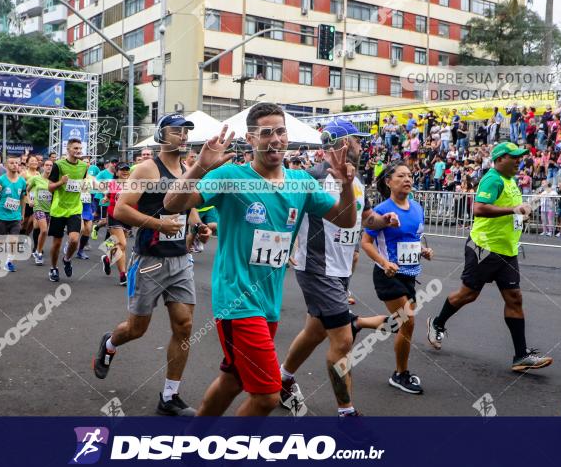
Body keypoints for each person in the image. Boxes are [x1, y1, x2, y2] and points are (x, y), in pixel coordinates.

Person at [163, 102, 358, 417]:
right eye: (266, 132)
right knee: (268, 395)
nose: (275, 139)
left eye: (280, 131)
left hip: (269, 304)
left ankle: (193, 447)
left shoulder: (301, 183)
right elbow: (172, 204)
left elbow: (346, 219)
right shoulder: (231, 176)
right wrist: (199, 167)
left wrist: (347, 186)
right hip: (237, 301)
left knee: (233, 379)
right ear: (250, 139)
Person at [280, 119, 399, 416]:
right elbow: (285, 213)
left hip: (341, 269)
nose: (363, 145)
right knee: (343, 339)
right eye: (358, 140)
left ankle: (282, 379)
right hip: (317, 269)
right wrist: (285, 247)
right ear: (342, 144)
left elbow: (366, 217)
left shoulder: (356, 181)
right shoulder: (312, 178)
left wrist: (383, 221)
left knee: (315, 330)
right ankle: (346, 412)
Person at [93, 114, 209, 417]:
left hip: (181, 261)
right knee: (136, 329)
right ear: (161, 135)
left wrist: (199, 228)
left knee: (184, 326)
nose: (182, 137)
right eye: (175, 132)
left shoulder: (186, 169)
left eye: (186, 132)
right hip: (149, 261)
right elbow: (121, 209)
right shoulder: (146, 169)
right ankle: (110, 343)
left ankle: (170, 396)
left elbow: (189, 208)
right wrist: (157, 223)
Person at [427, 142, 553, 372]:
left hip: (507, 250)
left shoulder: (511, 181)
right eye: (513, 157)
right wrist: (513, 210)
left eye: (519, 157)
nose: (518, 160)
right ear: (499, 159)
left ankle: (521, 356)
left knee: (514, 298)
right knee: (468, 295)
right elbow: (479, 208)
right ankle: (437, 323)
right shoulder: (493, 178)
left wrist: (521, 214)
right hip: (484, 247)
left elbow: (512, 209)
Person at [362, 162, 433, 394]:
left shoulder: (417, 208)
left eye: (410, 175)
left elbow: (413, 238)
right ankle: (400, 374)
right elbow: (366, 243)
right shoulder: (381, 210)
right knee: (407, 321)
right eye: (401, 175)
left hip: (410, 275)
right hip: (387, 274)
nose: (407, 179)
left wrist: (423, 250)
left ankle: (356, 323)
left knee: (404, 325)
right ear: (389, 182)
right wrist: (384, 263)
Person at [47, 138, 89, 281]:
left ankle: (67, 259)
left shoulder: (84, 166)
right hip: (59, 209)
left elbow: (81, 183)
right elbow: (50, 187)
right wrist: (61, 182)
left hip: (75, 208)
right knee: (57, 243)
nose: (78, 151)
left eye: (79, 148)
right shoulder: (58, 165)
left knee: (74, 239)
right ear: (68, 149)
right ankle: (53, 268)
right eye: (75, 148)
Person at [0, 155, 28, 272]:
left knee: (14, 240)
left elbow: (22, 198)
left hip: (15, 216)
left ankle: (8, 262)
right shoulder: (1, 180)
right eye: (12, 163)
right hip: (0, 215)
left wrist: (22, 213)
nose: (15, 165)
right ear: (6, 165)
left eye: (17, 163)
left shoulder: (22, 181)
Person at [101, 163, 131, 285]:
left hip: (128, 217)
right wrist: (105, 198)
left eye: (127, 170)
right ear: (117, 172)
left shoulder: (132, 184)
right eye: (122, 170)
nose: (125, 172)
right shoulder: (113, 183)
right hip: (114, 216)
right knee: (122, 244)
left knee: (118, 245)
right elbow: (107, 195)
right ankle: (123, 276)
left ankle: (107, 259)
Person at [27, 159, 53, 265]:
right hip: (38, 207)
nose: (48, 167)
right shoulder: (36, 179)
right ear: (43, 166)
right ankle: (39, 253)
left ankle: (37, 249)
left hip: (50, 209)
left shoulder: (54, 181)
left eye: (51, 165)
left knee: (38, 228)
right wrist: (29, 200)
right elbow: (27, 190)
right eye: (47, 165)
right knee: (44, 231)